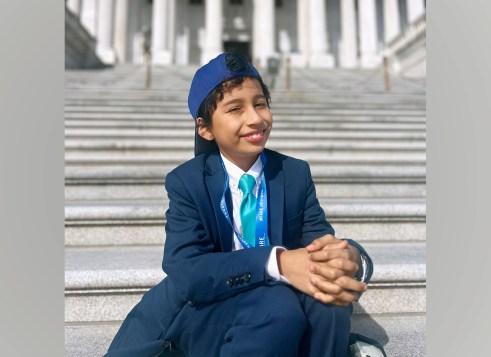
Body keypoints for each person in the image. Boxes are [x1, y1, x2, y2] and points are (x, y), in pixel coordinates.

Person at [106, 52, 373, 357]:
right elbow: (187, 270)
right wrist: (277, 262)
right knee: (277, 306)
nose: (256, 118)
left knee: (329, 301)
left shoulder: (294, 174)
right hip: (210, 309)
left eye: (260, 103)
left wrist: (345, 256)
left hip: (276, 307)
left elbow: (319, 242)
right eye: (235, 108)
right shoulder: (188, 182)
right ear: (205, 128)